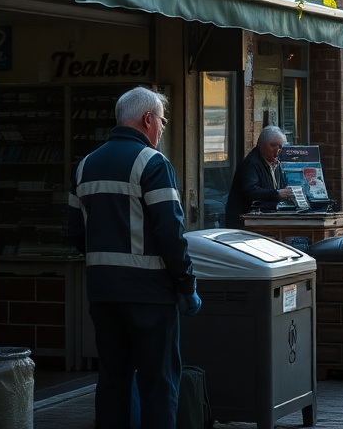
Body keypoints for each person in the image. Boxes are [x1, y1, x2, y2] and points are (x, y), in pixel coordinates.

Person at [67, 86, 200, 429]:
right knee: (159, 383)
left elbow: (74, 233)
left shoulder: (85, 166)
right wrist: (186, 284)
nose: (162, 128)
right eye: (162, 121)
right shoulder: (153, 163)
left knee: (113, 379)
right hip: (150, 294)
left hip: (103, 293)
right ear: (147, 119)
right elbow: (170, 231)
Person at [225, 126, 294, 227]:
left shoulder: (275, 163)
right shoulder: (251, 163)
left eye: (280, 147)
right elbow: (251, 191)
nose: (277, 151)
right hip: (246, 223)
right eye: (273, 146)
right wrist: (277, 194)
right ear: (261, 144)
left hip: (266, 219)